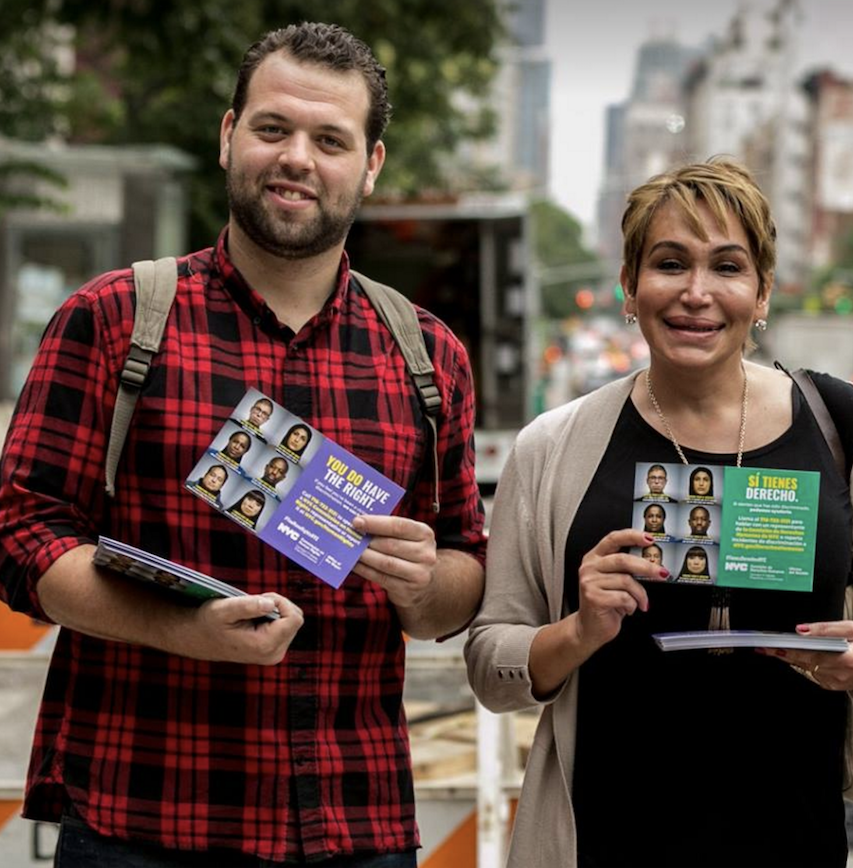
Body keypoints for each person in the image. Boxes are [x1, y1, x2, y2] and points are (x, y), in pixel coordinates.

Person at [0, 23, 486, 865]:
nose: (297, 157)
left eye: (330, 139)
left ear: (369, 165)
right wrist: (183, 628)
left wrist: (424, 582)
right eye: (273, 129)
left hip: (352, 821)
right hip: (141, 821)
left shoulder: (427, 354)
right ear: (230, 137)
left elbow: (463, 576)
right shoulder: (117, 319)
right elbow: (21, 533)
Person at [466, 157, 853, 868]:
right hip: (603, 837)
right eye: (669, 263)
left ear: (763, 292)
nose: (696, 293)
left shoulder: (841, 422)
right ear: (629, 286)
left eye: (727, 267)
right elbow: (488, 659)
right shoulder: (553, 447)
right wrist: (576, 631)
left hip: (794, 837)